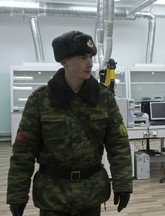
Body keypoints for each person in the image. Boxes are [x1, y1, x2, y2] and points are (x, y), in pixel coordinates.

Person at [7, 30, 133, 216]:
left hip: (91, 192)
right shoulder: (40, 100)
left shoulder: (103, 97)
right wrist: (17, 195)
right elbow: (23, 152)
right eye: (82, 57)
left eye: (90, 57)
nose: (90, 63)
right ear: (63, 61)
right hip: (52, 195)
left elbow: (118, 144)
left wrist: (123, 184)